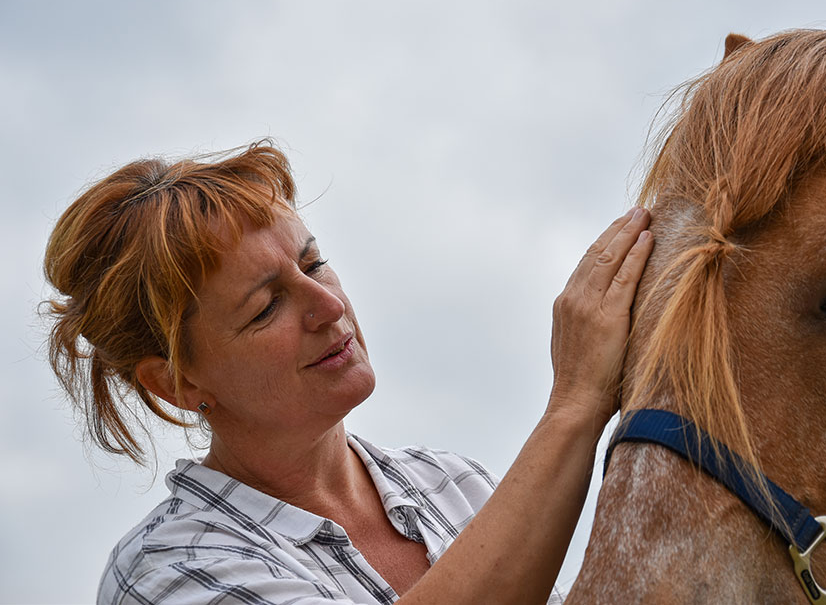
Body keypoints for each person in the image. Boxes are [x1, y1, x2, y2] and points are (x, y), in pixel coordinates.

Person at [44, 141, 653, 604]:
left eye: (315, 263)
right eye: (266, 306)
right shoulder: (169, 570)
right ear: (177, 383)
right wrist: (575, 404)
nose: (330, 306)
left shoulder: (450, 484)